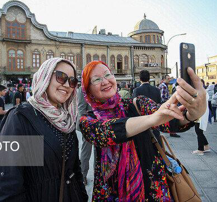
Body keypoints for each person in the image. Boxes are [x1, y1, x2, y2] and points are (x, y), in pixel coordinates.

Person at [79, 61, 206, 201]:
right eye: (97, 79)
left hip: (151, 190)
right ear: (88, 90)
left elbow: (168, 120)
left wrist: (190, 115)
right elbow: (106, 131)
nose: (105, 81)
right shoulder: (88, 120)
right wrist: (152, 119)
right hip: (111, 193)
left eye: (107, 74)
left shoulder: (137, 103)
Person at [0, 58, 88, 201]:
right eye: (61, 77)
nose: (67, 85)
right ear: (45, 77)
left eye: (72, 81)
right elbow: (7, 186)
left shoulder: (66, 119)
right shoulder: (21, 118)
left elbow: (75, 169)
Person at [76, 85, 93, 186]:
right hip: (87, 124)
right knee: (86, 150)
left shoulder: (97, 86)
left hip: (99, 123)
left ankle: (99, 174)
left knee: (99, 151)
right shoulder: (83, 89)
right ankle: (83, 175)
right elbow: (81, 108)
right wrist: (85, 124)